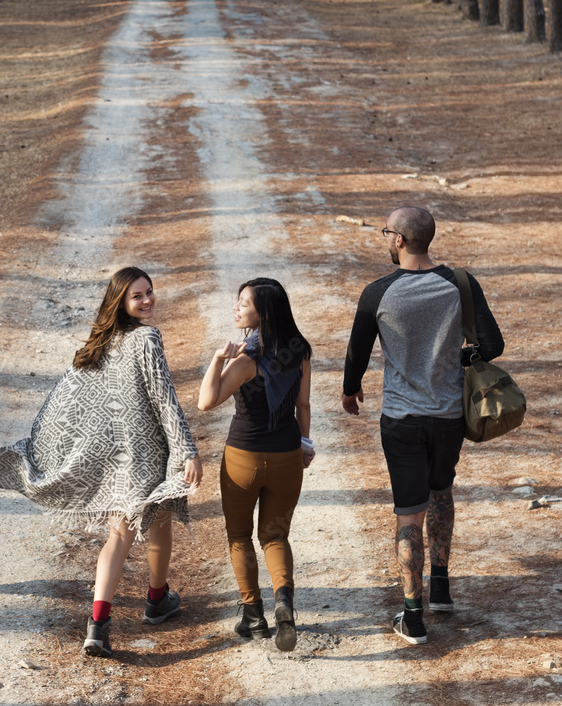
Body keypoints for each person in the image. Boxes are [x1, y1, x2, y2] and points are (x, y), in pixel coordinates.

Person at [0, 267, 203, 657]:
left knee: (122, 536)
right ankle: (154, 601)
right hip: (146, 456)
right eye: (137, 296)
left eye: (149, 292)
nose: (147, 300)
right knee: (153, 525)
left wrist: (63, 444)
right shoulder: (147, 338)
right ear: (121, 303)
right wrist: (187, 450)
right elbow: (165, 400)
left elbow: (66, 403)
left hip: (112, 461)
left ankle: (100, 624)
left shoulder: (100, 343)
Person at [342, 206, 504, 646]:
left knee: (408, 513)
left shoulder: (378, 292)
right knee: (442, 491)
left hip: (401, 418)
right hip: (449, 416)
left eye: (385, 231)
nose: (384, 237)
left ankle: (413, 618)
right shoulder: (460, 284)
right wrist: (458, 359)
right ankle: (442, 587)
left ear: (398, 240)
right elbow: (492, 344)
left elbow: (357, 352)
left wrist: (349, 389)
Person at [198, 278, 313, 652]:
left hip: (242, 460)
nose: (236, 308)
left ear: (262, 313)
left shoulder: (247, 360)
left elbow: (206, 401)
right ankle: (284, 603)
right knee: (276, 537)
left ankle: (253, 615)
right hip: (286, 458)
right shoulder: (298, 351)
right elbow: (304, 405)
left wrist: (218, 360)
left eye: (243, 303)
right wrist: (305, 443)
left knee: (238, 536)